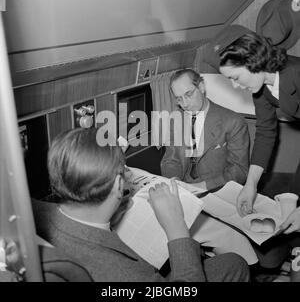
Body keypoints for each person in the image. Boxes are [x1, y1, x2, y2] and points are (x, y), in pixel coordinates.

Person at [32, 128, 249, 282]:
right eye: (124, 171)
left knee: (232, 264)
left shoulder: (33, 212)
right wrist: (177, 229)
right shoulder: (121, 273)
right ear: (119, 184)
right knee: (236, 265)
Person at [160, 68, 259, 267]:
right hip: (186, 193)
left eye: (188, 94)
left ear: (202, 87)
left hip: (217, 193)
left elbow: (239, 171)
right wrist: (175, 182)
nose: (185, 104)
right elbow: (170, 160)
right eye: (179, 99)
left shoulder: (232, 121)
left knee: (232, 247)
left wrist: (202, 187)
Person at [215, 26, 300, 232]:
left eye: (235, 78)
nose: (236, 86)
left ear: (252, 60)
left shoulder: (296, 73)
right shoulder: (261, 88)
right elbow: (265, 133)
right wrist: (250, 184)